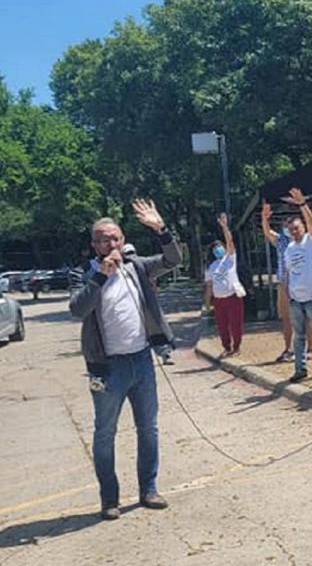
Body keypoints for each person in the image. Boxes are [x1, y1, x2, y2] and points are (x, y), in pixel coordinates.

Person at [68, 199, 181, 520]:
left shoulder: (137, 266)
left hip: (141, 360)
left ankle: (149, 488)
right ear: (94, 245)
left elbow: (174, 259)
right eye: (103, 239)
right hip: (107, 368)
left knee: (148, 428)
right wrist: (101, 276)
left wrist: (161, 229)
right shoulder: (83, 274)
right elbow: (77, 309)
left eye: (115, 237)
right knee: (104, 433)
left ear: (122, 239)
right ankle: (110, 499)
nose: (111, 243)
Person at [283, 188, 312, 382]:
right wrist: (288, 292)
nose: (295, 231)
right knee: (299, 335)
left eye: (297, 227)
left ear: (303, 226)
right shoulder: (289, 248)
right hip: (296, 299)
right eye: (292, 229)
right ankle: (300, 369)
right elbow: (288, 272)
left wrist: (302, 205)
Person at [260, 201, 312, 363]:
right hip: (284, 283)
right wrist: (264, 219)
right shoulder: (282, 241)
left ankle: (310, 348)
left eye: (293, 226)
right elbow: (267, 232)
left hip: (302, 282)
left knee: (307, 316)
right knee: (286, 317)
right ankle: (288, 348)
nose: (291, 229)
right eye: (287, 226)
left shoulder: (307, 241)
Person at [122, 243, 175, 365]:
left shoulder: (141, 265)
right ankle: (162, 353)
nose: (132, 257)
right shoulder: (138, 265)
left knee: (153, 329)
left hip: (144, 304)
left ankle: (163, 353)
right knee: (153, 329)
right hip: (137, 307)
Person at [204, 213, 245, 358]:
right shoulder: (210, 266)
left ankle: (237, 346)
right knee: (222, 326)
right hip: (219, 300)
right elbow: (209, 286)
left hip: (233, 296)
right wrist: (207, 303)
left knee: (235, 324)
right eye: (215, 248)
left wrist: (225, 227)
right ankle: (226, 347)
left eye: (220, 247)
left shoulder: (230, 259)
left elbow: (230, 241)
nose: (218, 250)